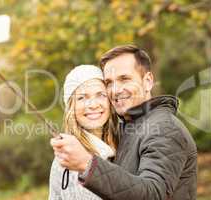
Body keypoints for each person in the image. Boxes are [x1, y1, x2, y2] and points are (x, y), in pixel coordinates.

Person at [51, 45, 197, 200]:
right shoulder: (128, 128)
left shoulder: (164, 128)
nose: (115, 90)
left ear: (147, 81)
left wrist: (87, 164)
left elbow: (153, 193)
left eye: (124, 79)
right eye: (109, 83)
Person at [49, 65, 119, 200]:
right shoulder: (65, 158)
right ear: (71, 107)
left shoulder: (125, 145)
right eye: (82, 98)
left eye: (100, 95)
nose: (93, 105)